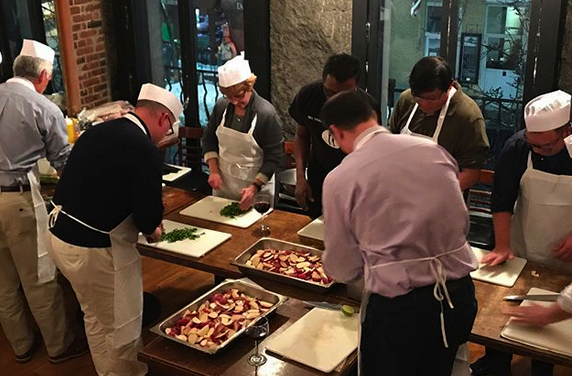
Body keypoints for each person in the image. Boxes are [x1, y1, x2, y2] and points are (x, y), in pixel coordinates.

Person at [321, 90, 478, 376]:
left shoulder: (341, 178)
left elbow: (341, 266)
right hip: (458, 297)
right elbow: (461, 223)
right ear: (374, 117)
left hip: (401, 312)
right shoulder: (433, 151)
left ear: (336, 132)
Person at [47, 83, 182, 376]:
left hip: (58, 236)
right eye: (169, 128)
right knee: (123, 327)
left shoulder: (98, 130)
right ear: (162, 119)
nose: (166, 135)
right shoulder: (142, 147)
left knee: (94, 316)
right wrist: (154, 230)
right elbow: (148, 218)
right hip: (94, 249)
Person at [471, 90, 572, 376]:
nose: (538, 151)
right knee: (501, 310)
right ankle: (495, 365)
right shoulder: (517, 147)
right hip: (523, 238)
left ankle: (542, 367)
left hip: (564, 250)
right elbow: (502, 198)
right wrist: (502, 245)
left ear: (566, 130)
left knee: (550, 316)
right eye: (533, 145)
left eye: (547, 146)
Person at [0, 39, 88, 364]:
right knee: (38, 276)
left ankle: (21, 346)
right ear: (43, 76)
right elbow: (65, 162)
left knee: (4, 284)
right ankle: (58, 346)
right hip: (19, 200)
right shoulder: (43, 107)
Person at [289, 53, 378, 218]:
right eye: (329, 92)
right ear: (323, 80)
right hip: (318, 174)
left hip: (354, 181)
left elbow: (371, 156)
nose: (333, 100)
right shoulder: (308, 96)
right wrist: (300, 177)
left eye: (343, 95)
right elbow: (301, 135)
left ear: (356, 87)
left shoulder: (367, 108)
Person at [388, 56, 489, 191]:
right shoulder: (407, 100)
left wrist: (435, 196)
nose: (423, 103)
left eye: (431, 99)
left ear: (449, 87)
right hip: (400, 193)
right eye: (417, 97)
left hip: (442, 201)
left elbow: (471, 174)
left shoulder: (467, 116)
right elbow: (390, 144)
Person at [203, 52, 283, 210]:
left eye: (239, 96)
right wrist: (213, 171)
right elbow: (208, 140)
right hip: (224, 185)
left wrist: (254, 188)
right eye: (228, 97)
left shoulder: (266, 114)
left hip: (256, 190)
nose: (234, 102)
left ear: (250, 86)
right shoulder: (221, 107)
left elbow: (274, 158)